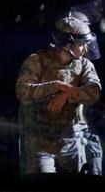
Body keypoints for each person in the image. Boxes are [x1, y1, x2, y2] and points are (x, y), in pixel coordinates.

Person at [17, 11, 102, 175]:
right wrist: (56, 86)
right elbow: (23, 92)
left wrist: (66, 95)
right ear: (66, 45)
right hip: (41, 141)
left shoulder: (84, 65)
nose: (85, 49)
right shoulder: (36, 61)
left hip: (72, 140)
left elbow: (94, 91)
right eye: (81, 44)